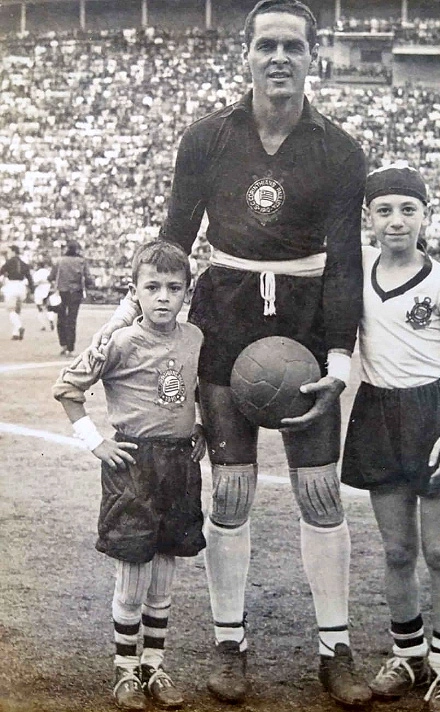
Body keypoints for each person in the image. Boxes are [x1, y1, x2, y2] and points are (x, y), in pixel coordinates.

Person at [85, 0, 370, 707]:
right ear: (245, 55)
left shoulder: (340, 148)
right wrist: (125, 315)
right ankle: (228, 644)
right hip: (225, 317)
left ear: (313, 55)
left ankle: (334, 650)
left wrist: (338, 357)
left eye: (292, 46)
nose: (279, 57)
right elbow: (175, 235)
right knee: (234, 492)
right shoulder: (206, 137)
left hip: (304, 322)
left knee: (317, 492)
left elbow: (342, 260)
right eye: (266, 44)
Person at [341, 164, 440, 712]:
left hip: (433, 411)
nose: (396, 220)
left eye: (408, 209)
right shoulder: (356, 270)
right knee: (398, 550)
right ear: (369, 218)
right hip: (377, 411)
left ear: (425, 215)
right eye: (384, 210)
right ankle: (407, 653)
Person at [53, 241, 206, 711]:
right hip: (134, 467)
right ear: (134, 292)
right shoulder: (117, 341)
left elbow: (188, 388)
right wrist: (95, 442)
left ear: (187, 292)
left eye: (174, 288)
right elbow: (67, 388)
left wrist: (197, 423)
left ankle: (153, 664)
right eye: (152, 287)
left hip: (180, 465)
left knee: (165, 568)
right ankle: (124, 670)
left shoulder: (195, 337)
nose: (163, 296)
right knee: (134, 569)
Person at [50, 239, 92, 357]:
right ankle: (70, 347)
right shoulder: (81, 261)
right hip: (76, 292)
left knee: (61, 318)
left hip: (61, 292)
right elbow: (88, 278)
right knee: (72, 319)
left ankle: (63, 344)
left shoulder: (59, 261)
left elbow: (51, 276)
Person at [0, 245, 34, 341]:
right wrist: (32, 290)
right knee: (17, 310)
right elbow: (30, 278)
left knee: (11, 310)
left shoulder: (8, 263)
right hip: (21, 287)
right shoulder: (24, 264)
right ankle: (15, 333)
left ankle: (19, 327)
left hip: (12, 286)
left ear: (13, 252)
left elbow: (1, 272)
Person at [33, 257, 57, 332]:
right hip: (48, 290)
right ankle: (51, 320)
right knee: (49, 308)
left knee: (40, 309)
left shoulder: (36, 273)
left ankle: (43, 325)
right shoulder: (48, 272)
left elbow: (35, 283)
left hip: (39, 291)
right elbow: (53, 281)